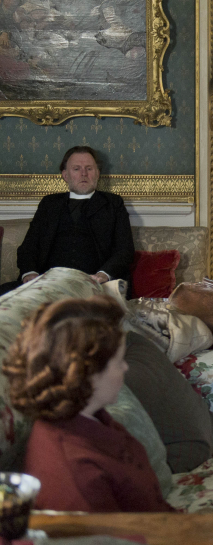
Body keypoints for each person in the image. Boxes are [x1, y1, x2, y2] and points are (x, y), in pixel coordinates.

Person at [2, 296, 174, 513]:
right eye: (118, 361)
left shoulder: (90, 419)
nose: (125, 368)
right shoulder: (76, 474)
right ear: (85, 374)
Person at [4, 145, 134, 294]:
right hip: (48, 285)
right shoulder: (49, 204)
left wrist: (102, 275)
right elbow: (28, 248)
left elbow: (124, 250)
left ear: (97, 173)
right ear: (65, 175)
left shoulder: (113, 203)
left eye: (89, 168)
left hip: (95, 285)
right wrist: (30, 274)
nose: (84, 174)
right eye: (77, 169)